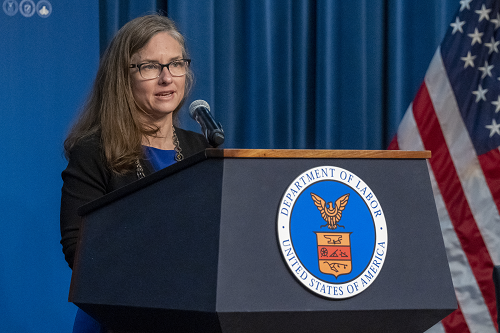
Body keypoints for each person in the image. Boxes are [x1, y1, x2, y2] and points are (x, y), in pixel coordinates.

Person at [60, 14, 211, 332]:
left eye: (175, 63)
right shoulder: (94, 151)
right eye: (150, 67)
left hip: (193, 316)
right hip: (119, 319)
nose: (167, 78)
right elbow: (79, 250)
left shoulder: (201, 148)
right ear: (122, 76)